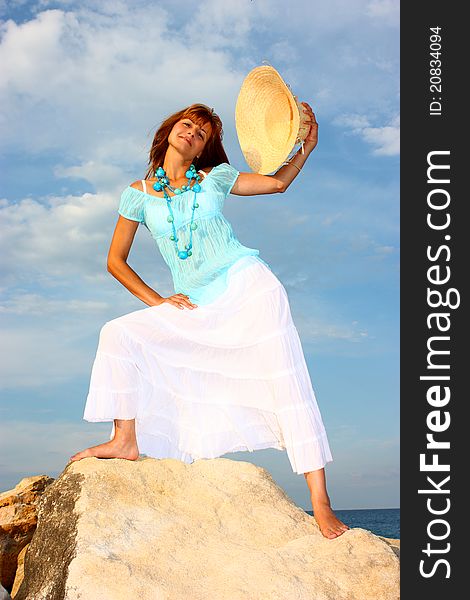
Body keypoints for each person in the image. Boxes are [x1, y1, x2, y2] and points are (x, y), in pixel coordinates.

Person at [70, 102, 349, 539]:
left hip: (248, 285)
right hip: (195, 301)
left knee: (286, 379)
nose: (192, 134)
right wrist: (159, 302)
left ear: (204, 150)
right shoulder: (138, 194)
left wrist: (305, 148)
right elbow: (115, 261)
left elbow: (277, 183)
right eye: (187, 125)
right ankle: (125, 440)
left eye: (201, 134)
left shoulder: (215, 178)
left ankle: (321, 502)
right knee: (118, 333)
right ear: (167, 132)